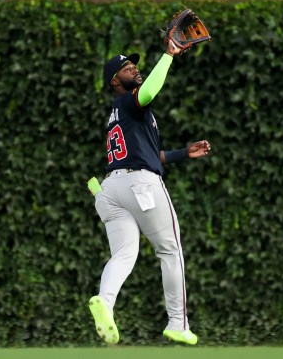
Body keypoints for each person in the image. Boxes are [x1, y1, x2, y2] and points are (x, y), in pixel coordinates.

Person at [88, 39, 211, 346]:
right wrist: (169, 55)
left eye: (135, 65)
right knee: (170, 250)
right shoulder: (129, 101)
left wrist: (184, 152)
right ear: (115, 81)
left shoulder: (120, 114)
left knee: (124, 254)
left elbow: (147, 154)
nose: (135, 68)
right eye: (128, 68)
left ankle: (104, 301)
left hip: (110, 189)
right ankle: (177, 323)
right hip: (140, 185)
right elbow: (151, 91)